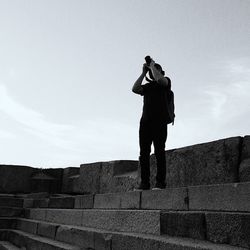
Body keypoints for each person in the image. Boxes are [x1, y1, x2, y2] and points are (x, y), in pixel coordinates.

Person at [132, 57, 171, 190]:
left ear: (161, 71)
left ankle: (160, 183)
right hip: (145, 123)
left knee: (159, 151)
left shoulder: (166, 82)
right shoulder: (148, 87)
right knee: (144, 153)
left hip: (159, 122)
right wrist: (143, 73)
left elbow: (160, 79)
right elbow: (135, 89)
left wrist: (153, 65)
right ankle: (144, 183)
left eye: (155, 70)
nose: (152, 71)